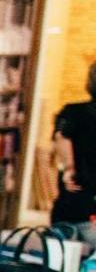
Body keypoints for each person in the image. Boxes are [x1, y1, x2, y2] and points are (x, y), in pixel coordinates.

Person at [50, 62, 96, 226]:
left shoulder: (73, 112)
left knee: (64, 246)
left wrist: (70, 167)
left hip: (76, 199)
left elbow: (62, 135)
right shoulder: (74, 113)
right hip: (82, 198)